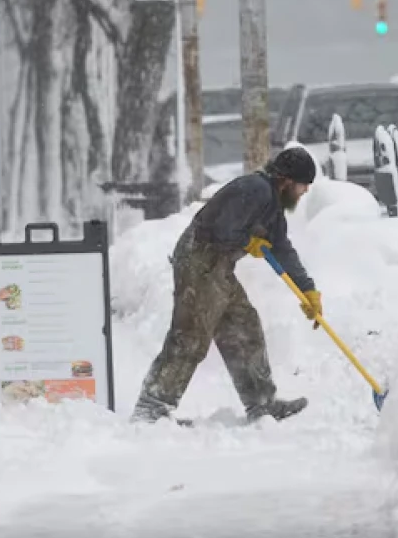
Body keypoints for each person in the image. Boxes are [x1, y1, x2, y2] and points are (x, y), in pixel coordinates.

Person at [131, 146, 322, 425]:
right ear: (287, 180)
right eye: (303, 186)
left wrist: (308, 290)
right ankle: (152, 407)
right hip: (199, 259)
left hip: (218, 266)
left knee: (244, 326)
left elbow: (282, 248)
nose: (304, 193)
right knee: (191, 335)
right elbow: (222, 229)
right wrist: (249, 243)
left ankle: (261, 404)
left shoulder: (273, 205)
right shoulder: (255, 189)